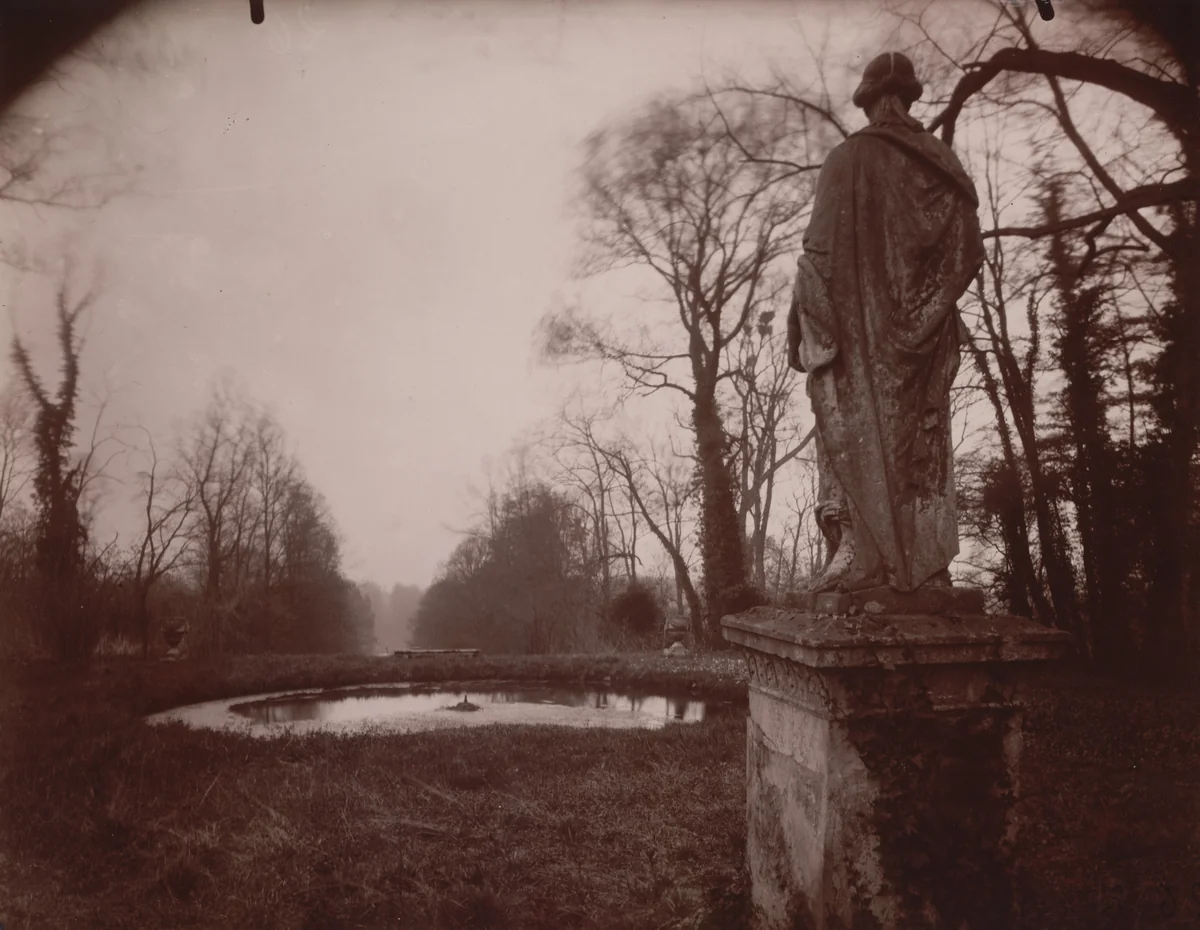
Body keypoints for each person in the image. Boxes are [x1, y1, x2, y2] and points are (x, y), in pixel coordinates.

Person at [787, 52, 985, 594]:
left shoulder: (847, 161)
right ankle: (925, 566)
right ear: (910, 96)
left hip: (855, 340)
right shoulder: (942, 162)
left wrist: (803, 326)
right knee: (923, 442)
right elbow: (967, 252)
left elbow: (816, 255)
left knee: (850, 438)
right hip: (924, 337)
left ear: (869, 100)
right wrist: (920, 319)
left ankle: (863, 559)